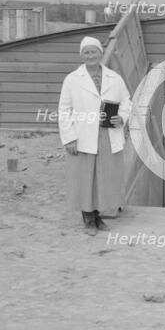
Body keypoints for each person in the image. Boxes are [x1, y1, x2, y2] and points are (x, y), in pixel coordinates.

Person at [58, 36, 132, 235]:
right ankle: (88, 219)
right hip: (83, 136)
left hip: (107, 134)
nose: (90, 56)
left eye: (94, 52)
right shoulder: (72, 79)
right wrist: (69, 138)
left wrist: (122, 117)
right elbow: (64, 110)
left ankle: (98, 216)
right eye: (86, 52)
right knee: (85, 177)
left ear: (101, 53)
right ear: (81, 55)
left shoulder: (114, 78)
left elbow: (126, 100)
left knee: (104, 176)